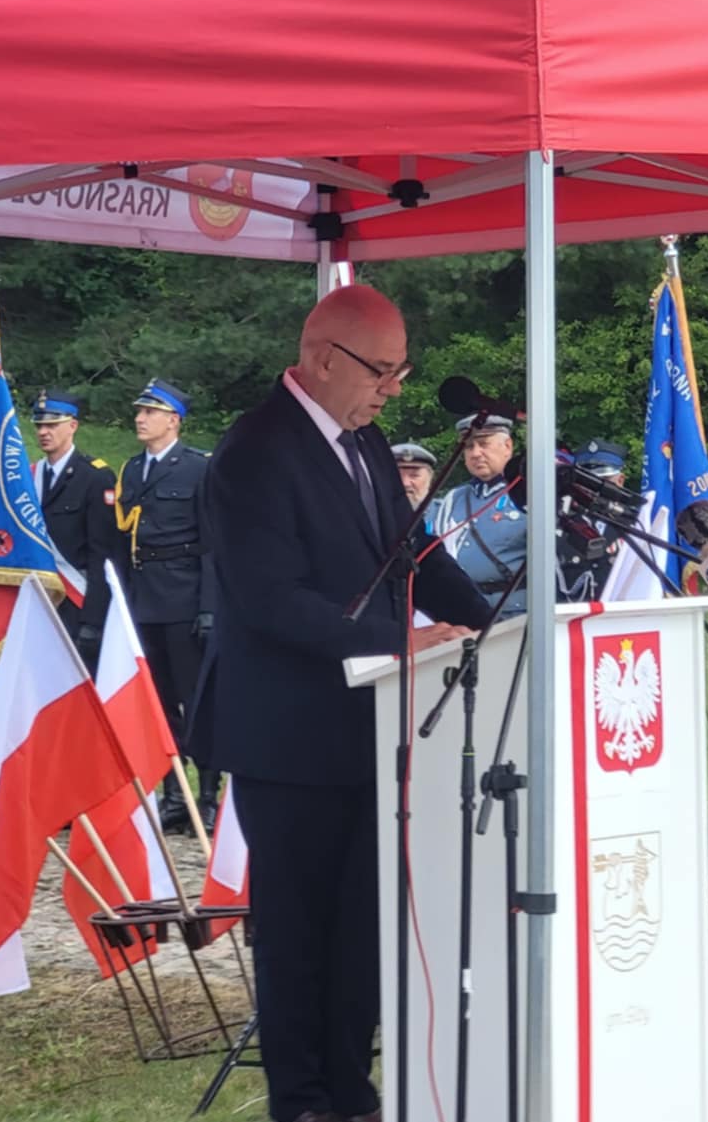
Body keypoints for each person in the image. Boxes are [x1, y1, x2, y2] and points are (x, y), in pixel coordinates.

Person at [196, 284, 491, 1122]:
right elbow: (269, 598)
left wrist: (496, 621)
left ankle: (351, 1090)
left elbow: (413, 551)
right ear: (325, 357)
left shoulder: (362, 443)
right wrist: (399, 644)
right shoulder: (254, 451)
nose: (392, 389)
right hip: (286, 732)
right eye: (381, 370)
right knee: (298, 928)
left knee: (362, 923)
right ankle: (302, 1099)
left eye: (402, 372)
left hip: (368, 725)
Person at [116, 378, 218, 832]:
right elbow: (123, 544)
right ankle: (174, 794)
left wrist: (210, 607)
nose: (140, 419)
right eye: (139, 411)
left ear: (173, 420)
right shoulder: (132, 470)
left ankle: (209, 795)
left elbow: (213, 542)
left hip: (185, 596)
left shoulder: (198, 468)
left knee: (197, 702)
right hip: (144, 598)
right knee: (157, 705)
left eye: (150, 412)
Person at [30, 388, 118, 665]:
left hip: (76, 601)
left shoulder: (95, 477)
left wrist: (93, 619)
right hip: (36, 600)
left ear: (73, 426)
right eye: (39, 425)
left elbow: (102, 553)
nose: (44, 432)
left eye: (52, 425)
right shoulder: (29, 477)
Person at [425, 415, 526, 617]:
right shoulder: (454, 499)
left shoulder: (528, 493)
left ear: (507, 446)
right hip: (464, 613)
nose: (476, 453)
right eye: (469, 446)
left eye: (484, 444)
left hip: (515, 612)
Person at [557, 438, 628, 604]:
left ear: (620, 481)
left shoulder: (635, 524)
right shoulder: (560, 522)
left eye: (602, 482)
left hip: (623, 614)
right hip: (571, 615)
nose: (593, 490)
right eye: (587, 482)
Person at [391, 442, 436, 509]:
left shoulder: (444, 513)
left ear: (430, 478)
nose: (405, 483)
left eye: (414, 475)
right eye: (397, 476)